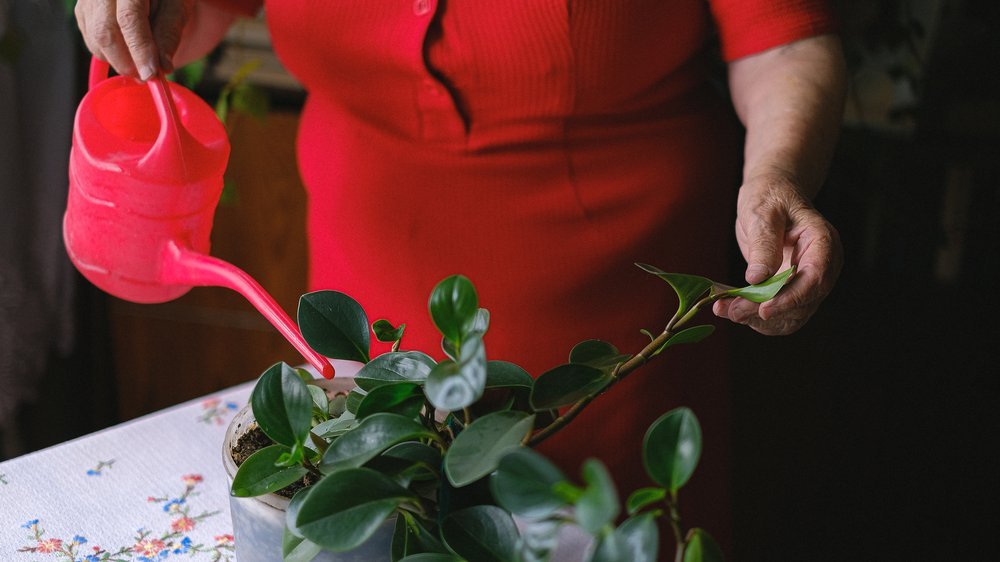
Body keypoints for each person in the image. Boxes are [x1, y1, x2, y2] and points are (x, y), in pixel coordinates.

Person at [74, 0, 846, 555]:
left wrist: (778, 177)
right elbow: (203, 9)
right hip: (365, 323)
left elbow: (782, 42)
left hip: (611, 350)